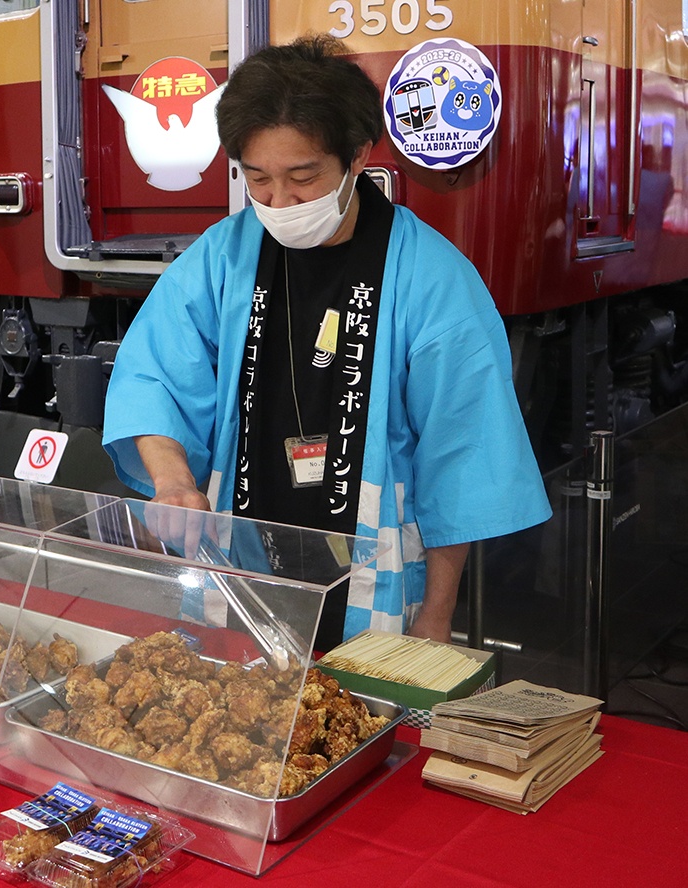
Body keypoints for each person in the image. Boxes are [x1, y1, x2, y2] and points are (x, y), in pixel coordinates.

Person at [102, 35, 551, 650]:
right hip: (243, 564)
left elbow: (462, 456)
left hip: (375, 572)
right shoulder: (223, 257)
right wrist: (173, 479)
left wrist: (438, 618)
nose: (279, 202)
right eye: (256, 179)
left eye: (303, 178)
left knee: (357, 730)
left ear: (358, 156)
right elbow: (153, 374)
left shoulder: (432, 276)